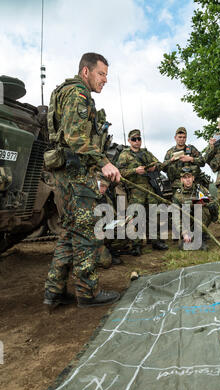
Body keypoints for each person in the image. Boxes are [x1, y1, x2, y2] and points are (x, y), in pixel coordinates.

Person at [44, 52, 121, 310]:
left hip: (65, 173)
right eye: (101, 74)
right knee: (87, 231)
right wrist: (104, 163)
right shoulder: (79, 94)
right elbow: (76, 138)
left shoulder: (63, 92)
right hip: (75, 174)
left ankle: (53, 292)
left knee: (69, 231)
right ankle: (87, 293)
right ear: (85, 72)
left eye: (107, 76)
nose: (105, 80)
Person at [117, 129, 168, 256]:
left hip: (150, 187)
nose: (137, 141)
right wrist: (135, 170)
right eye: (134, 139)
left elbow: (160, 164)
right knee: (136, 216)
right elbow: (120, 172)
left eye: (139, 139)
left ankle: (156, 240)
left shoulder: (146, 153)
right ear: (129, 141)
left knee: (153, 214)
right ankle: (136, 245)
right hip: (135, 189)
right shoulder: (124, 155)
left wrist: (154, 167)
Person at [172, 167, 218, 251]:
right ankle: (191, 236)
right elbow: (176, 216)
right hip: (186, 223)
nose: (188, 180)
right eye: (185, 178)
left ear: (193, 178)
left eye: (189, 177)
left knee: (201, 209)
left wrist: (202, 202)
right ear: (181, 180)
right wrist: (184, 233)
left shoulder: (200, 189)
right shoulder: (177, 195)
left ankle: (200, 237)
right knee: (182, 246)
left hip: (199, 219)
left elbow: (213, 201)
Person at [162, 127, 208, 198]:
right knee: (180, 207)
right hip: (176, 185)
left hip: (192, 184)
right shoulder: (170, 152)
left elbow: (202, 162)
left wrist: (191, 159)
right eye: (180, 137)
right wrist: (171, 160)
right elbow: (163, 168)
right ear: (175, 137)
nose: (182, 139)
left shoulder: (191, 149)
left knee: (197, 206)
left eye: (184, 137)